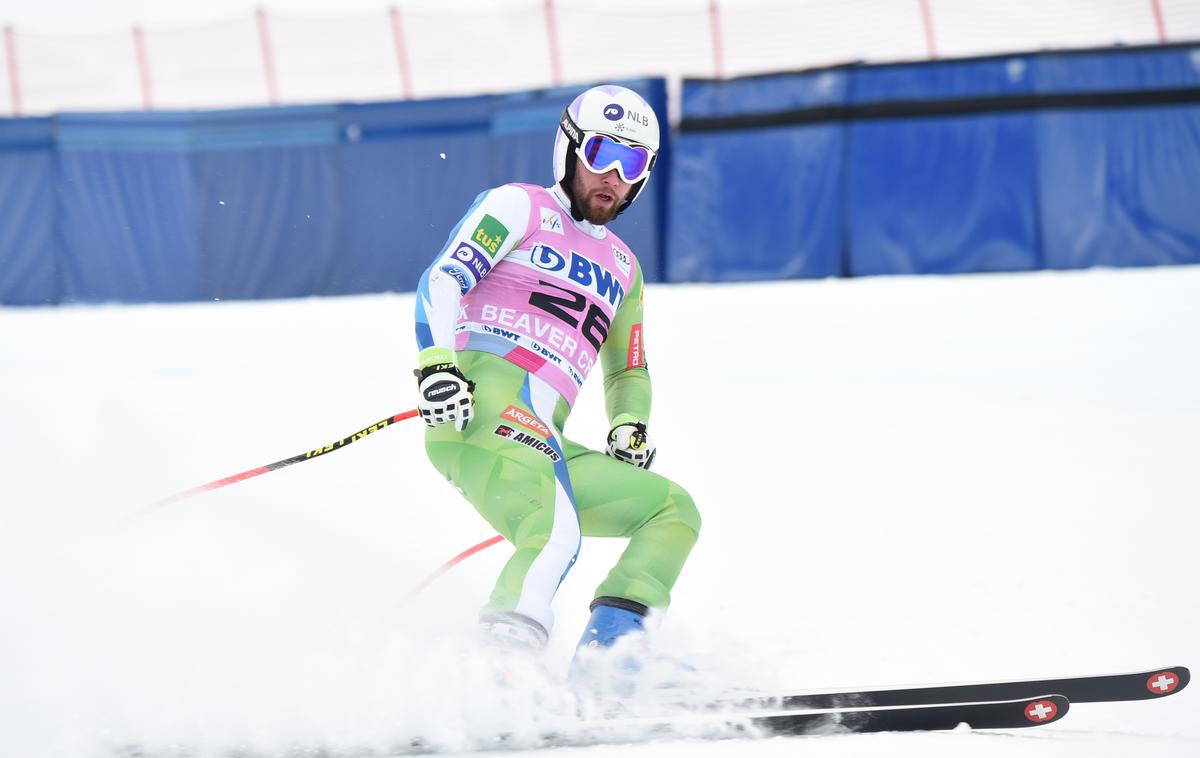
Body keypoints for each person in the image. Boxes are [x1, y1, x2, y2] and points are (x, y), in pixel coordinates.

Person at [412, 84, 700, 676]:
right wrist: (437, 365)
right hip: (478, 409)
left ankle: (611, 665)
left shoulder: (624, 267)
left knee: (672, 511)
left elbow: (628, 368)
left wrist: (628, 426)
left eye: (634, 162)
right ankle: (498, 672)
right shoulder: (518, 206)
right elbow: (442, 281)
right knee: (555, 532)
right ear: (569, 151)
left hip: (544, 440)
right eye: (601, 153)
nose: (613, 175)